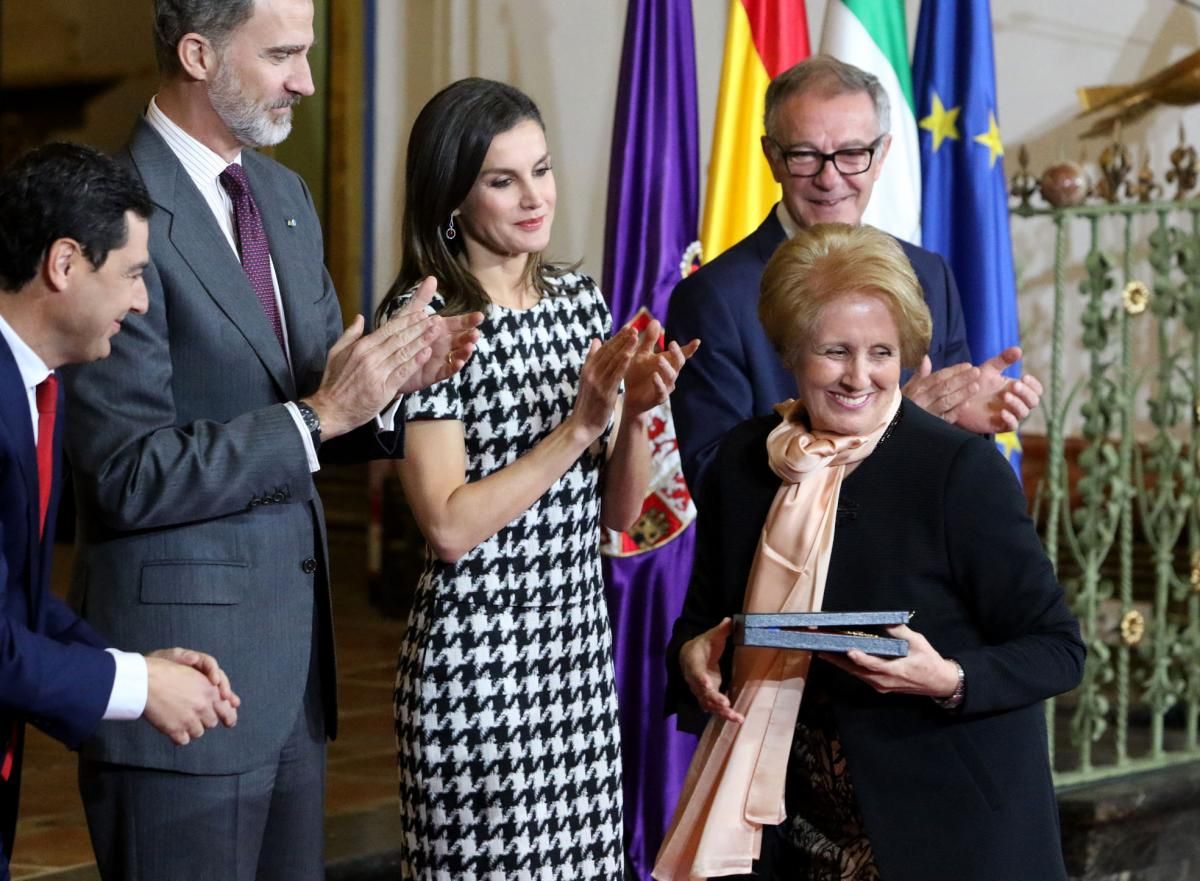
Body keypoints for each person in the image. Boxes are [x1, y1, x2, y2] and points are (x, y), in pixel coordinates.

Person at [59, 2, 482, 879]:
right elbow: (124, 476)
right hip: (184, 683)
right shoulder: (110, 211)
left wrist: (395, 378)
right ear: (197, 53)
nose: (307, 81)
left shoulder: (282, 197)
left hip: (294, 679)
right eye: (284, 54)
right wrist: (326, 410)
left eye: (311, 54)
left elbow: (316, 409)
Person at [654, 223, 1084, 881]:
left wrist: (947, 678)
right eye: (835, 351)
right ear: (792, 349)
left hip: (949, 835)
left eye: (882, 351)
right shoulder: (744, 461)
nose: (861, 376)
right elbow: (703, 618)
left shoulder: (957, 470)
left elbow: (1058, 648)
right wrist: (694, 656)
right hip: (791, 835)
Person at [379, 77, 698, 880]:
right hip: (477, 667)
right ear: (450, 195)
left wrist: (638, 417)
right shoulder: (426, 320)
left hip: (575, 660)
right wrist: (581, 427)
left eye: (543, 169)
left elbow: (616, 518)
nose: (535, 197)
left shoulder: (579, 302)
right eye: (503, 178)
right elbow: (449, 528)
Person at [0, 143, 243, 881]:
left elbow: (19, 604)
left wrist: (132, 667)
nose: (141, 302)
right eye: (134, 273)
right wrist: (138, 687)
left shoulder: (40, 385)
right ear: (65, 263)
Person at [667, 55, 1042, 492]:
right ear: (772, 157)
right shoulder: (713, 297)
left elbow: (945, 451)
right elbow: (717, 479)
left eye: (851, 154)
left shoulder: (927, 275)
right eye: (805, 155)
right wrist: (898, 424)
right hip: (789, 558)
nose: (830, 178)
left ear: (881, 155)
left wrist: (973, 417)